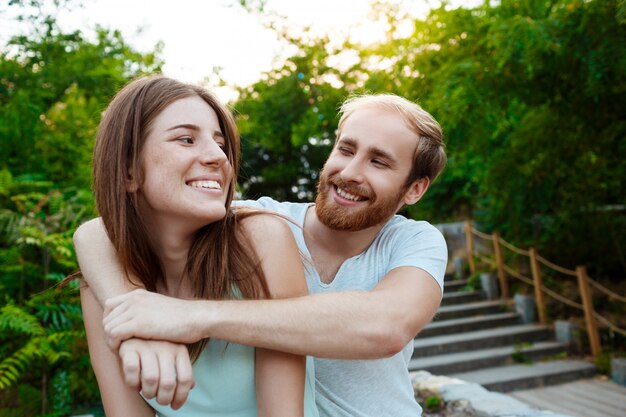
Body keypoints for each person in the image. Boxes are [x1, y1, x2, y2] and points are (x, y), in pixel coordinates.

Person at [75, 93, 448, 417]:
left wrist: (188, 317)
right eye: (345, 150)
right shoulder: (264, 223)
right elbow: (97, 232)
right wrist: (135, 320)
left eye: (378, 162)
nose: (350, 172)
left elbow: (386, 326)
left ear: (414, 189)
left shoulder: (414, 242)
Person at [78, 75, 319, 417]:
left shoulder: (261, 239)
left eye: (220, 143)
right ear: (129, 171)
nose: (218, 157)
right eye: (187, 139)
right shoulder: (103, 285)